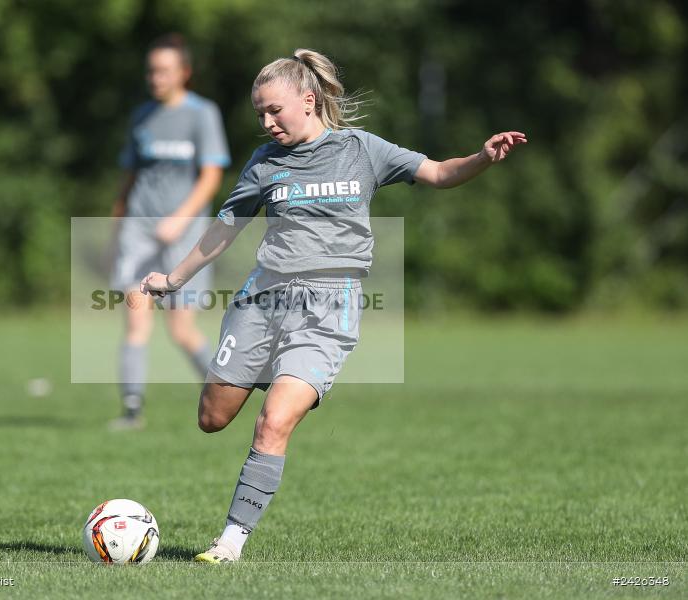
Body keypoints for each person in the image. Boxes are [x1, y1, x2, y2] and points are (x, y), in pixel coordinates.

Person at [140, 48, 526, 562]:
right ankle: (269, 374)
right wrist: (172, 279)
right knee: (212, 417)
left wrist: (482, 157)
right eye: (260, 113)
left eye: (275, 110)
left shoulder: (361, 149)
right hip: (261, 301)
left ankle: (230, 542)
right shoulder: (264, 163)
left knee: (274, 421)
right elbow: (224, 230)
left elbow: (437, 173)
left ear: (308, 99)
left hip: (328, 308)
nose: (267, 121)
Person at [110, 34, 231, 430]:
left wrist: (180, 219)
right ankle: (131, 410)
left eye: (164, 70)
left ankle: (223, 394)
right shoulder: (141, 116)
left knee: (181, 328)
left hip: (184, 233)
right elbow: (131, 175)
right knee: (135, 317)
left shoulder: (202, 114)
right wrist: (117, 221)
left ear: (184, 73)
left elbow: (212, 176)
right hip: (139, 230)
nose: (155, 77)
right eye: (151, 70)